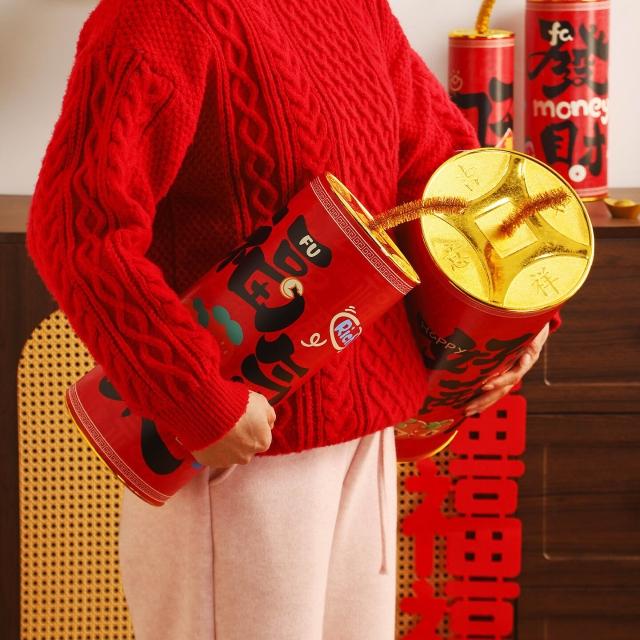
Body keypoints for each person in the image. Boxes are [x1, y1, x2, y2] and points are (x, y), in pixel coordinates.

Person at [26, 0, 552, 638]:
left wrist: (515, 318)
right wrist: (195, 399)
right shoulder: (155, 17)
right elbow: (78, 229)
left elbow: (446, 176)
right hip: (238, 449)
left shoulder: (359, 10)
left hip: (364, 437)